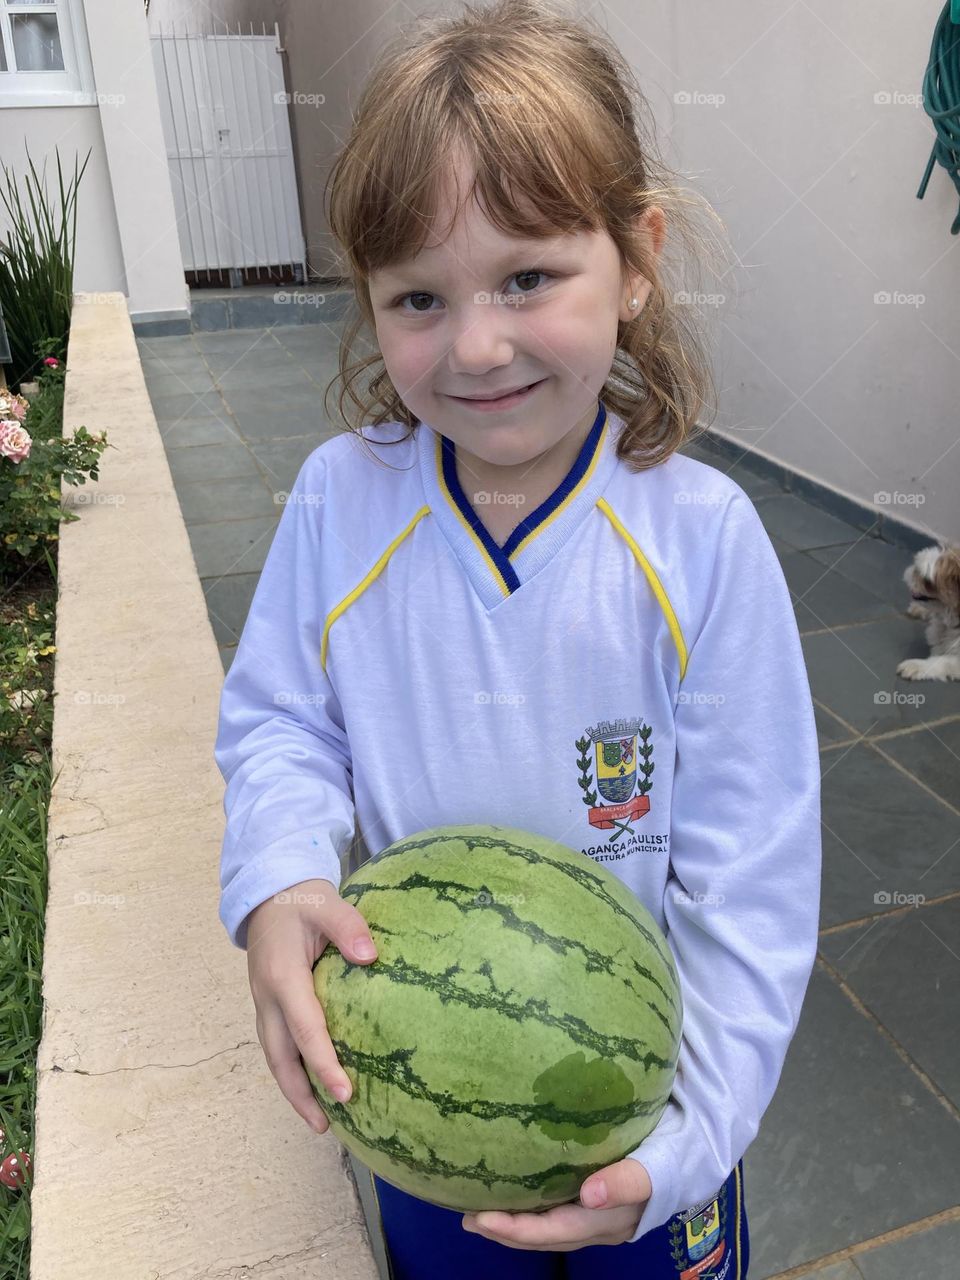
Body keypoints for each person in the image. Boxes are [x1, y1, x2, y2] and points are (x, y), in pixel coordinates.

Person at [213, 1, 821, 1276]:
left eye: (529, 277)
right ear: (367, 301)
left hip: (649, 1126)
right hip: (424, 1105)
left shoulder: (703, 540)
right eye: (418, 296)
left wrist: (689, 1138)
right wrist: (278, 876)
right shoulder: (341, 498)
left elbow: (751, 882)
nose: (476, 345)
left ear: (637, 256)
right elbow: (282, 721)